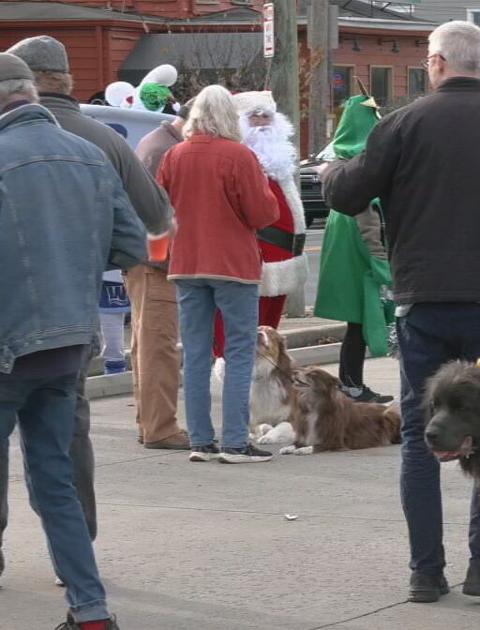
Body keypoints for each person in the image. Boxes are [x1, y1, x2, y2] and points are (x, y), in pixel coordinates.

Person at [319, 21, 480, 604]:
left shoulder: (402, 124)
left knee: (421, 436)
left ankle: (426, 570)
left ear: (434, 63)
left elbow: (348, 195)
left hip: (422, 298)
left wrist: (332, 171)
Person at [2, 36, 177, 576]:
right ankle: (76, 555)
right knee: (65, 442)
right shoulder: (104, 140)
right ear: (64, 78)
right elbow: (155, 222)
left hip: (8, 326)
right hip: (74, 323)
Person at [157, 85, 279, 465]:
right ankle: (236, 442)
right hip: (232, 265)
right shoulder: (239, 156)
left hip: (187, 264)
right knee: (238, 351)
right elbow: (262, 213)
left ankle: (201, 439)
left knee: (195, 353)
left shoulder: (174, 155)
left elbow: (161, 208)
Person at [211, 91, 308, 357]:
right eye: (255, 116)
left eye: (268, 115)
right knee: (241, 330)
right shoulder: (238, 158)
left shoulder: (278, 160)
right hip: (256, 257)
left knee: (268, 331)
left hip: (284, 258)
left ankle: (261, 376)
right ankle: (232, 378)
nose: (263, 121)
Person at [313, 94, 395, 404]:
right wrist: (380, 262)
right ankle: (351, 384)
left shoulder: (340, 159)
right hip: (359, 244)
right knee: (361, 319)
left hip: (344, 240)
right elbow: (369, 220)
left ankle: (352, 382)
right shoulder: (363, 159)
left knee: (356, 320)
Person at [130, 99, 193, 450]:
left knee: (148, 344)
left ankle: (149, 422)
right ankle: (160, 427)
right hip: (154, 263)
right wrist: (165, 262)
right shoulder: (163, 150)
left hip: (146, 261)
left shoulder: (158, 143)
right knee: (158, 346)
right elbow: (154, 214)